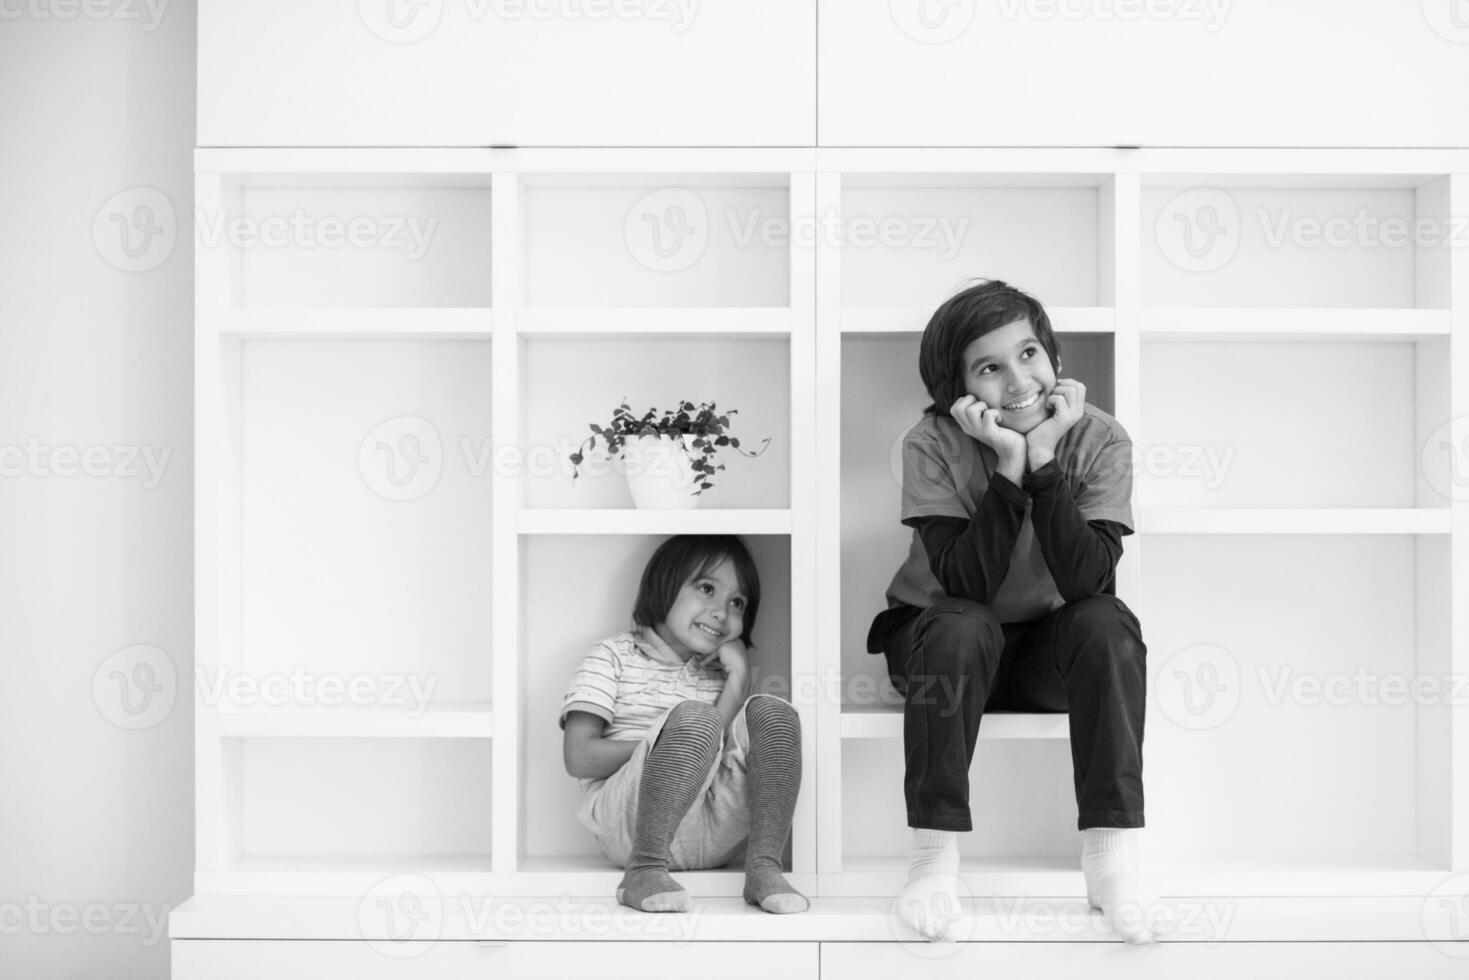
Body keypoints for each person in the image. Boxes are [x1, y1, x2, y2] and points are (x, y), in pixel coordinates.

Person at [866, 279, 1166, 944]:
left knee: (1107, 621)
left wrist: (1045, 461)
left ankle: (1111, 859)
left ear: (1053, 356)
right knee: (962, 623)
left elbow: (1089, 581)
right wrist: (1006, 465)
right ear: (958, 389)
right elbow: (965, 584)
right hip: (936, 642)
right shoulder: (932, 442)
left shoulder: (1101, 439)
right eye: (989, 367)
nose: (1017, 380)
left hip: (1038, 656)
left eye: (1028, 354)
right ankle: (932, 861)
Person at [561, 534, 808, 914]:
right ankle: (643, 869)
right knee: (696, 718)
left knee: (774, 713)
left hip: (711, 836)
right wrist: (663, 745)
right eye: (707, 588)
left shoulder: (722, 675)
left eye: (737, 602)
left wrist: (739, 680)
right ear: (665, 583)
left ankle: (763, 866)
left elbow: (720, 757)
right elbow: (579, 757)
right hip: (629, 827)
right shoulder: (612, 656)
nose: (721, 612)